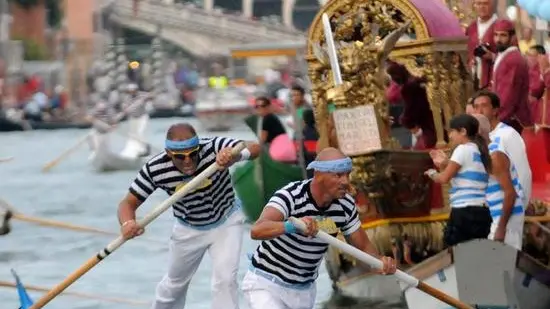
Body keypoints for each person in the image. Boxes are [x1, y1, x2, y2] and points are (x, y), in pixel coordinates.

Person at [117, 123, 260, 309]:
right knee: (174, 285)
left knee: (225, 281)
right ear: (169, 154)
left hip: (227, 222)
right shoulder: (155, 169)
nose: (188, 162)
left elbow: (255, 148)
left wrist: (235, 156)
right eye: (180, 157)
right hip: (188, 229)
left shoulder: (214, 147)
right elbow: (127, 204)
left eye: (193, 154)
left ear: (198, 148)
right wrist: (127, 223)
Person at [243, 147, 396, 309]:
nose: (345, 181)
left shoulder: (346, 205)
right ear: (318, 175)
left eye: (347, 175)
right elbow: (257, 230)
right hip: (266, 283)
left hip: (303, 292)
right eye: (338, 175)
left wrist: (379, 262)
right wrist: (292, 226)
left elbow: (363, 246)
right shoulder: (290, 196)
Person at [426, 114, 492, 246]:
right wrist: (446, 163)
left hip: (464, 211)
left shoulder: (462, 149)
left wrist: (432, 173)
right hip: (482, 211)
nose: (450, 136)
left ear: (463, 131)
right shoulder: (479, 150)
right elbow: (463, 170)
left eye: (452, 131)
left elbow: (444, 178)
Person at [472, 90, 532, 208]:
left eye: (484, 106)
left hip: (509, 206)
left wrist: (522, 203)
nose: (479, 111)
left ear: (495, 110)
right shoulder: (477, 138)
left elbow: (523, 172)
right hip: (487, 206)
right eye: (476, 107)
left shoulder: (508, 134)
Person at [473, 114, 525, 250]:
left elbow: (510, 193)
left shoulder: (495, 156)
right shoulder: (485, 153)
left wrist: (501, 228)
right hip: (498, 216)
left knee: (504, 265)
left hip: (506, 219)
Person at [491, 19, 533, 134]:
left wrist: (497, 120)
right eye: (496, 35)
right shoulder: (505, 56)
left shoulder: (513, 60)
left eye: (503, 35)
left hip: (513, 120)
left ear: (512, 37)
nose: (498, 39)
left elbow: (508, 95)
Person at [386, 61, 437, 149]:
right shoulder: (416, 82)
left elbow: (411, 109)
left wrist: (406, 121)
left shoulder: (409, 87)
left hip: (427, 126)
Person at [465, 0, 498, 90]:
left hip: (493, 78)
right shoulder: (471, 28)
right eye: (479, 3)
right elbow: (467, 52)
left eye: (485, 3)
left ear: (492, 5)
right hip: (473, 78)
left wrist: (492, 56)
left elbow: (511, 54)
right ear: (474, 5)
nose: (482, 7)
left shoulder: (501, 26)